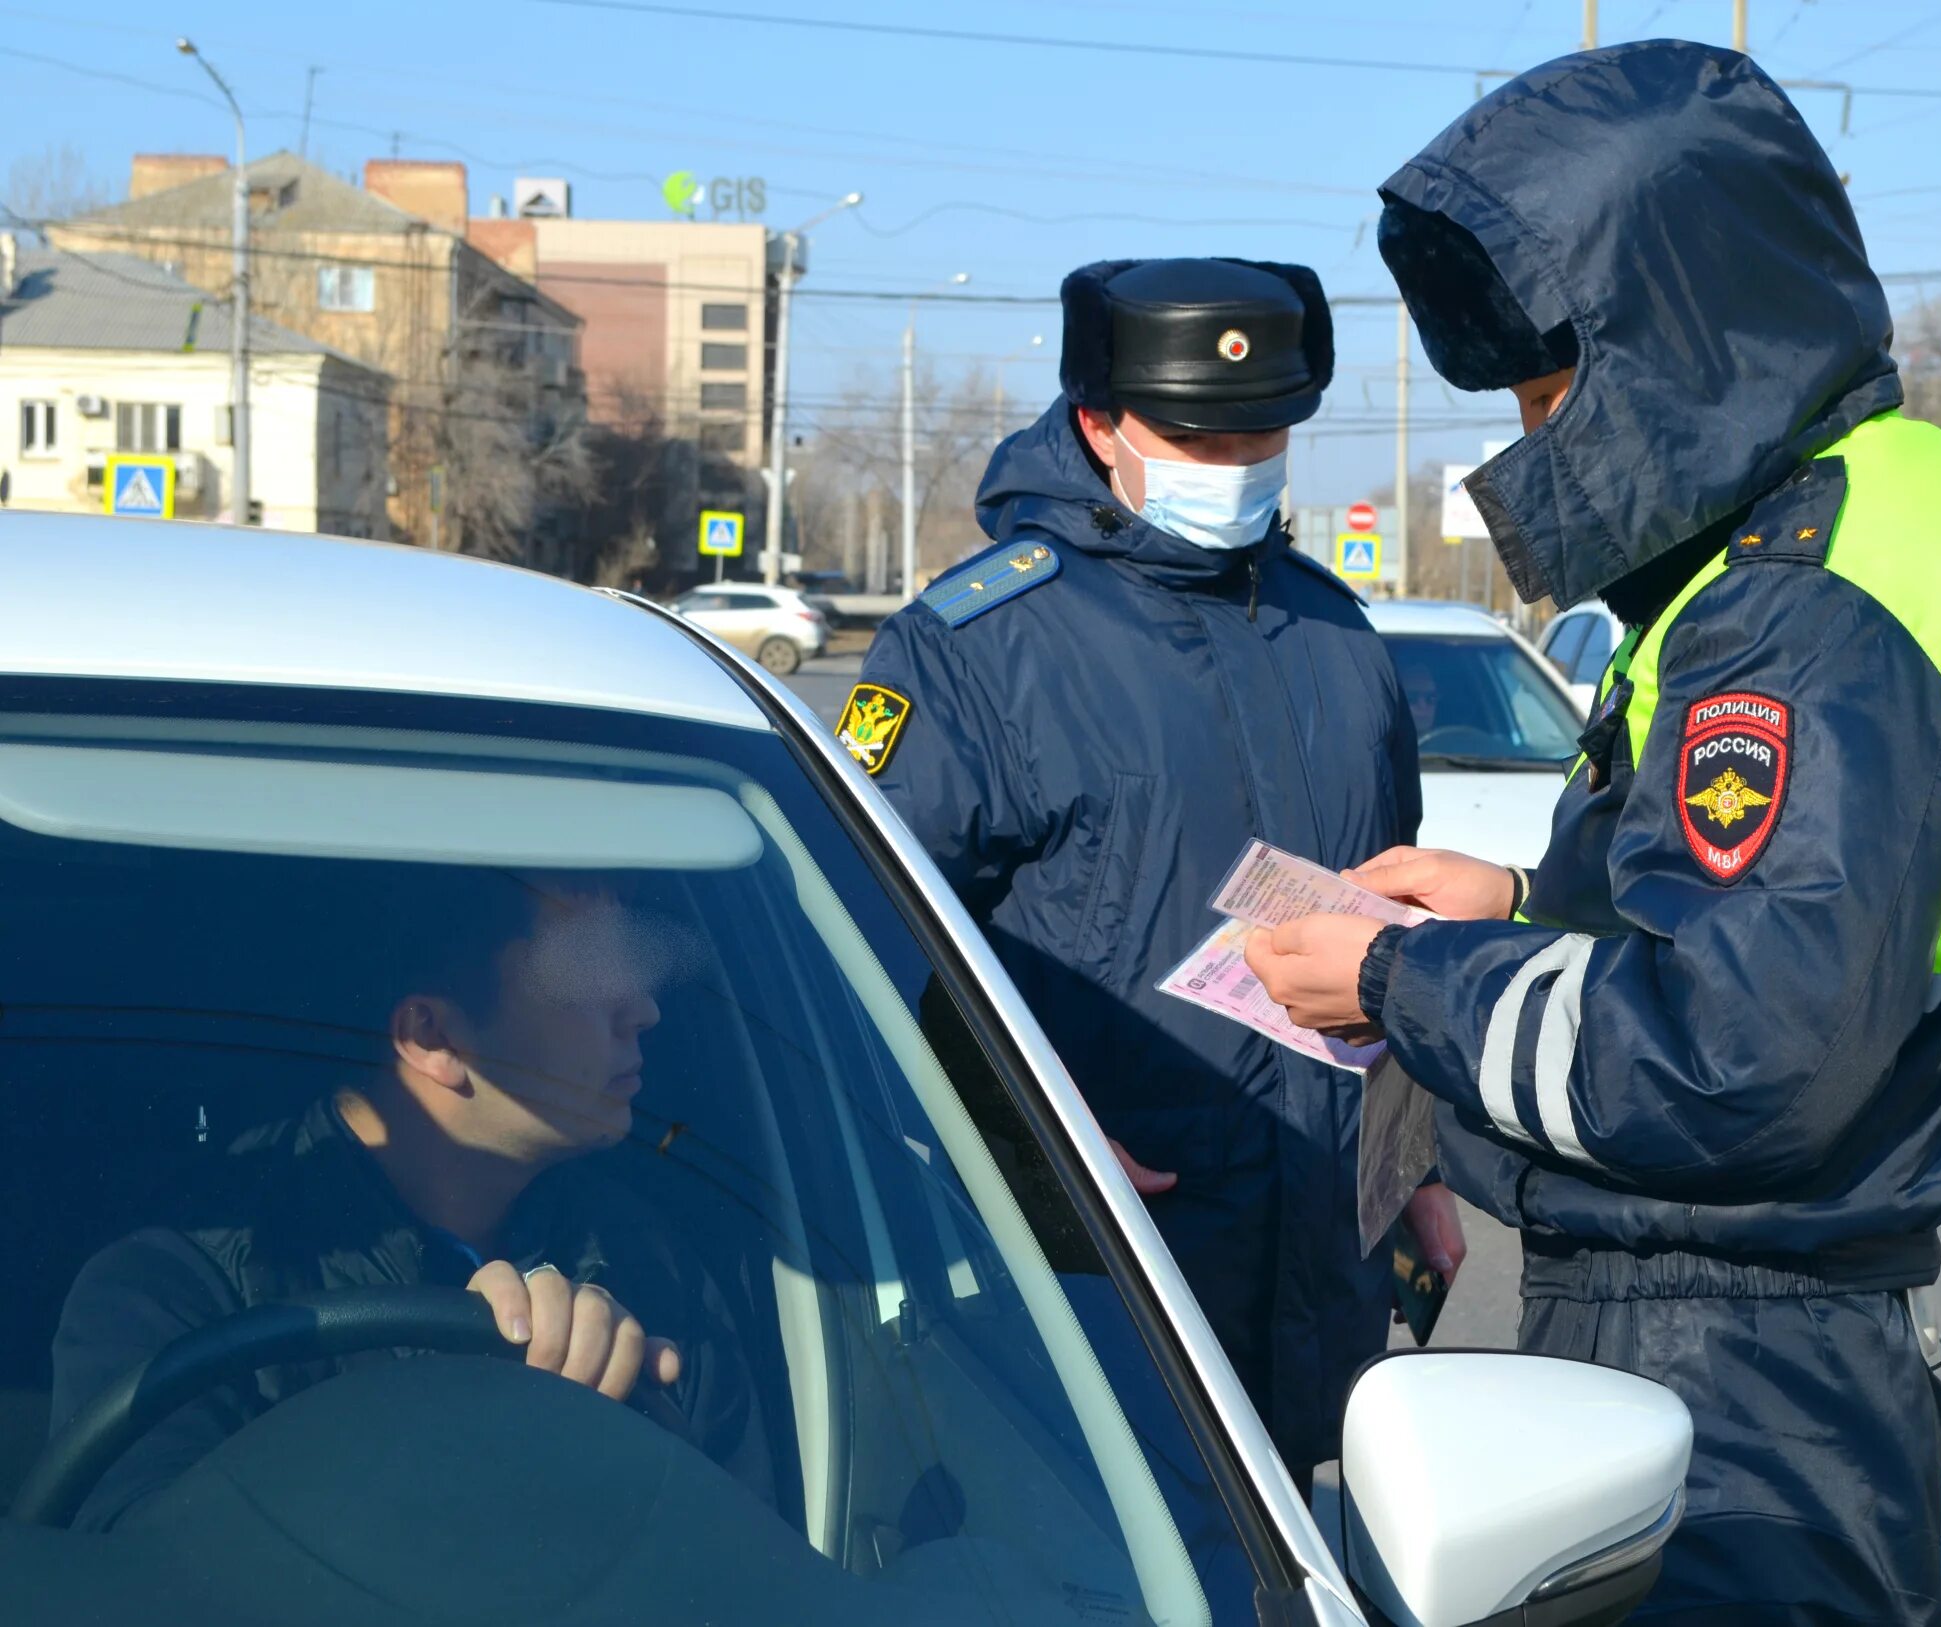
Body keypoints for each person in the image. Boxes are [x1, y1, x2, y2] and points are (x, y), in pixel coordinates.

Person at [1246, 42, 1941, 1625]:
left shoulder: (1804, 600)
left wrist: (1407, 977)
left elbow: (1731, 1054)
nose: (1535, 429)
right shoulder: (1823, 528)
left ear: (1680, 330)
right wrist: (1502, 898)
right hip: (1748, 1352)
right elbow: (1725, 922)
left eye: (1553, 380)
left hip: (1727, 1369)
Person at [843, 257, 1459, 1479]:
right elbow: (863, 935)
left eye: (1260, 433)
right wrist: (1028, 1136)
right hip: (1100, 1273)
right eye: (1191, 435)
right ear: (1096, 423)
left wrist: (1418, 1170)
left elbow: (1383, 926)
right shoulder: (973, 646)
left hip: (1318, 1261)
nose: (1231, 465)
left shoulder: (1338, 636)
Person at [50, 874, 770, 1531]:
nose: (643, 1008)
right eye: (588, 967)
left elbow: (746, 1569)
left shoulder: (647, 1263)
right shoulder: (174, 1291)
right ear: (431, 1035)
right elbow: (137, 1581)